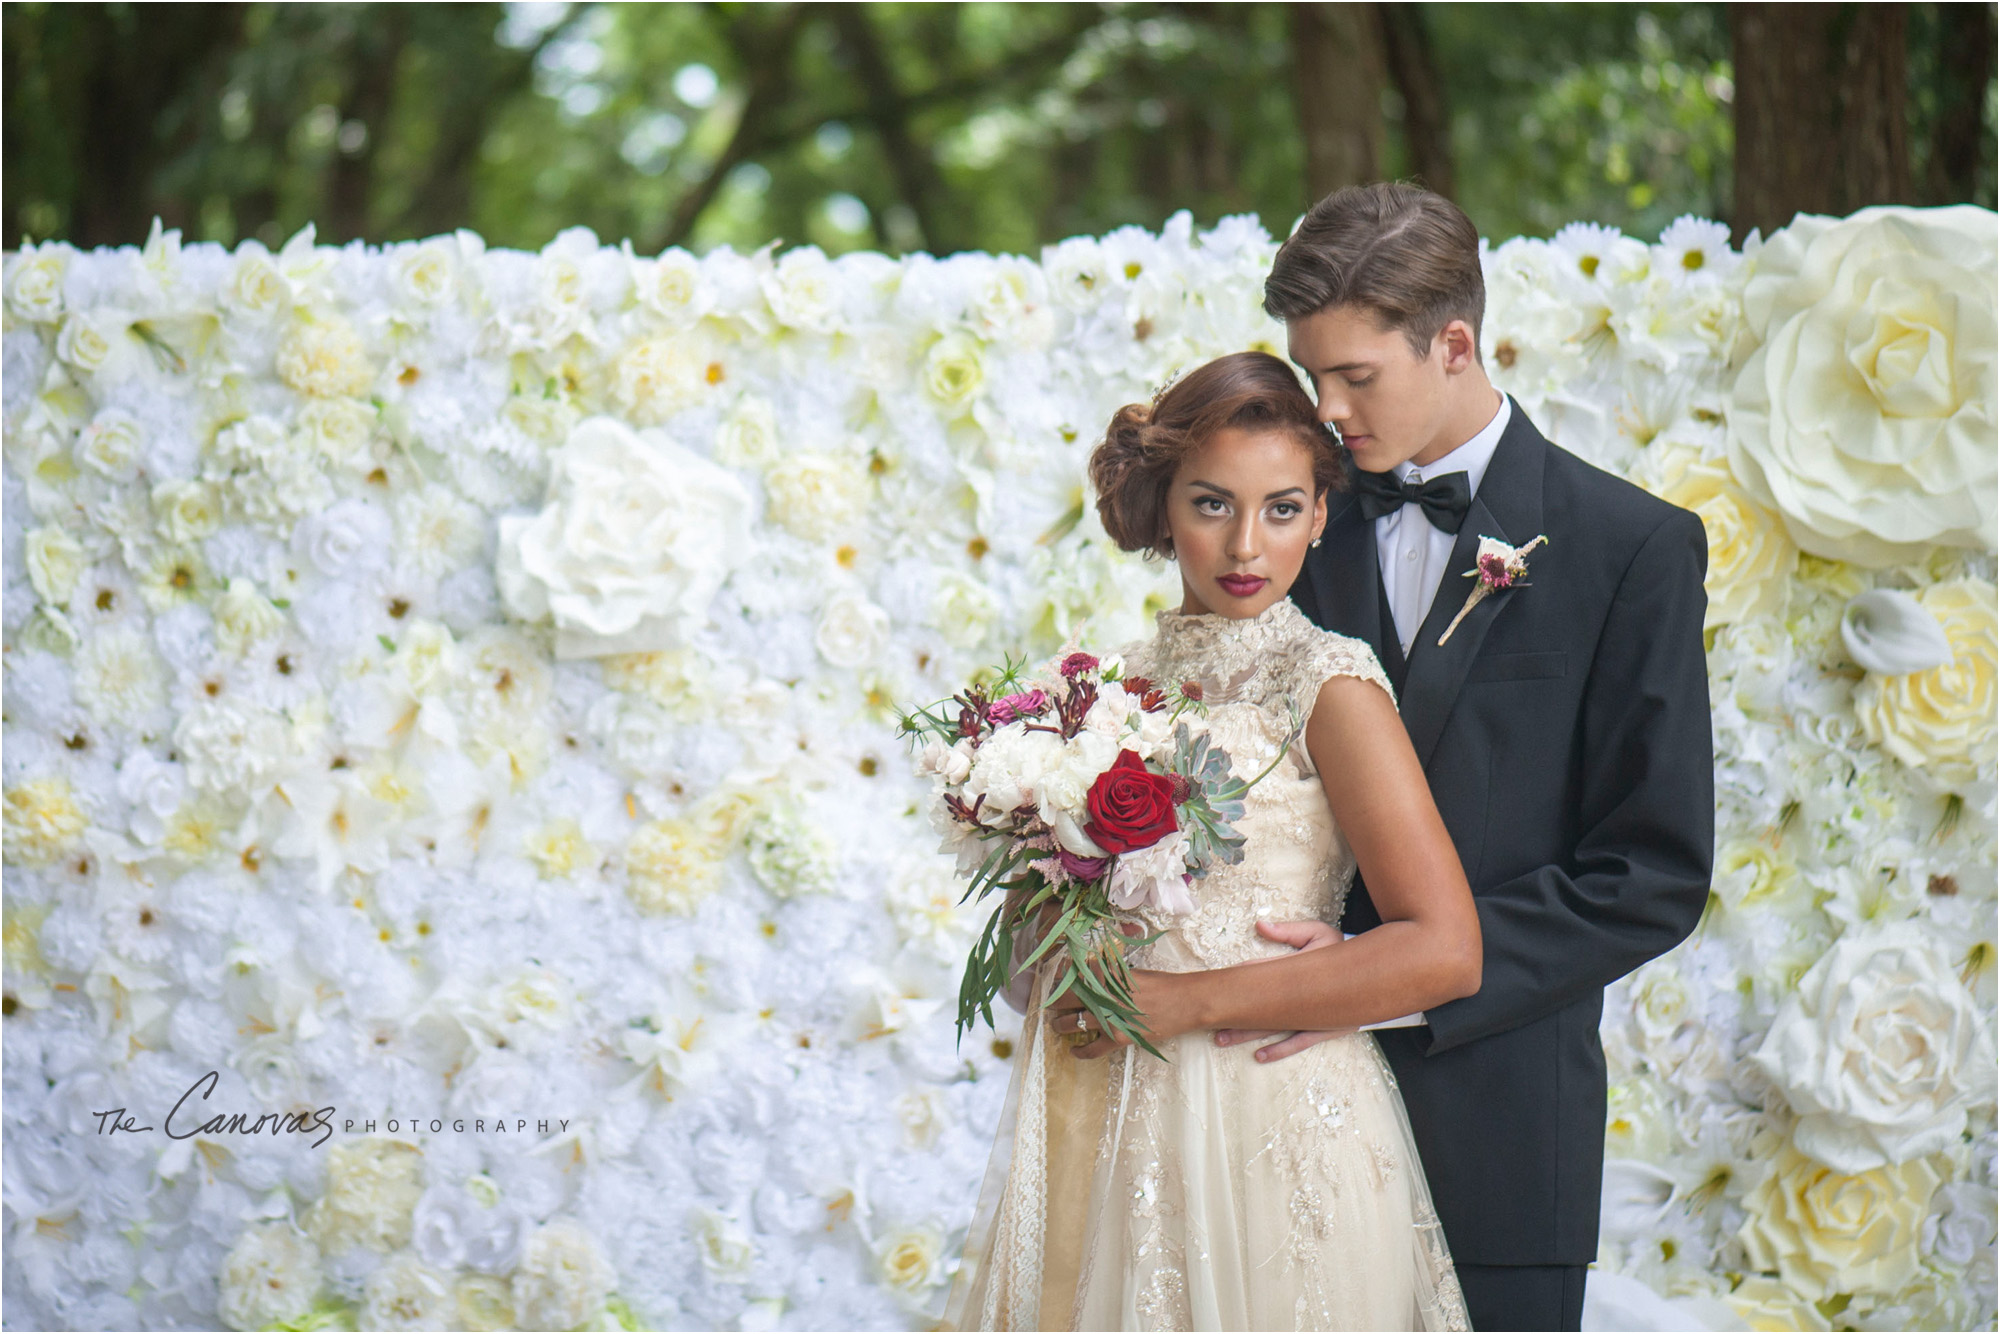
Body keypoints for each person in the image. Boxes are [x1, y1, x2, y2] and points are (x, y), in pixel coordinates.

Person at [1211, 181, 1716, 1332]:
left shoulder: (1630, 546)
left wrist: (1387, 980)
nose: (1327, 410)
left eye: (1355, 377)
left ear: (1452, 344)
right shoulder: (1289, 527)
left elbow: (1649, 873)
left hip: (1498, 1130)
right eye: (1310, 376)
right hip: (1269, 1114)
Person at [942, 350, 1478, 1332]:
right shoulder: (1101, 696)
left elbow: (1444, 947)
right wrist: (1049, 930)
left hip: (1273, 1116)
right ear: (1162, 506)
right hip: (1112, 1125)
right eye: (1210, 503)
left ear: (1320, 515)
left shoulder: (1330, 684)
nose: (1244, 543)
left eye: (1280, 508)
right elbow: (1030, 964)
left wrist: (1182, 1000)